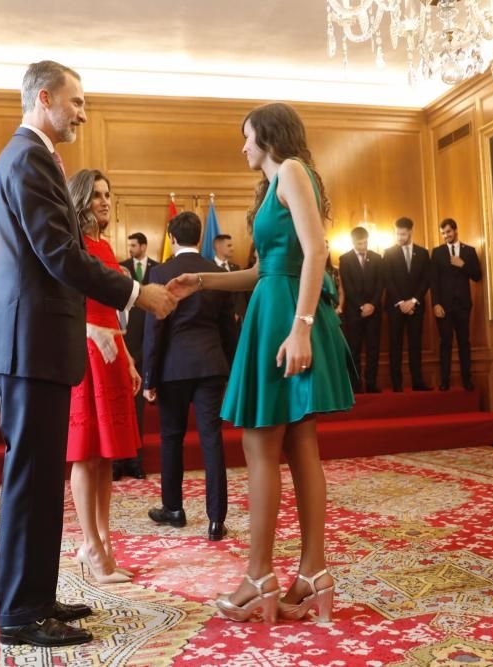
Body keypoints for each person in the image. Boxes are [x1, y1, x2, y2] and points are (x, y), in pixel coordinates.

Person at [0, 60, 176, 648]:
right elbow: (59, 254)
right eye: (78, 102)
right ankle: (18, 612)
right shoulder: (28, 156)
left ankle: (35, 597)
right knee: (30, 480)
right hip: (28, 344)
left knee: (41, 481)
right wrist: (139, 292)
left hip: (36, 344)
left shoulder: (33, 157)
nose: (84, 113)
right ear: (45, 98)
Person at [169, 102, 354, 624]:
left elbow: (317, 250)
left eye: (246, 136)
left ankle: (259, 576)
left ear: (269, 136)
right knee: (298, 445)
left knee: (260, 445)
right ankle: (312, 573)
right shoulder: (278, 184)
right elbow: (261, 270)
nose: (242, 146)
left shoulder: (292, 170)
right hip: (275, 307)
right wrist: (201, 280)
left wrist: (302, 328)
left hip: (288, 318)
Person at [65, 169, 143, 585]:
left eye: (108, 194)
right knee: (85, 452)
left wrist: (128, 358)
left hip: (111, 352)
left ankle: (102, 540)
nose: (104, 200)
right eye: (96, 194)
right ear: (79, 199)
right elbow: (68, 303)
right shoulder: (73, 245)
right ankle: (91, 543)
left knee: (106, 455)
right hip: (86, 351)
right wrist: (90, 334)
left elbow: (113, 309)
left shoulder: (104, 245)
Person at [145, 212, 237, 541]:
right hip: (211, 364)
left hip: (172, 368)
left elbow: (155, 330)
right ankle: (216, 520)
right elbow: (229, 325)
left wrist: (148, 379)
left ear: (171, 237)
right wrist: (229, 366)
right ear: (200, 238)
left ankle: (174, 509)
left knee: (171, 438)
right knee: (212, 439)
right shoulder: (216, 272)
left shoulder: (159, 271)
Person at [115, 232, 158, 481]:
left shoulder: (141, 310)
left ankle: (135, 462)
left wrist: (138, 361)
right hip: (113, 370)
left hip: (138, 370)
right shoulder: (108, 310)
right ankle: (116, 464)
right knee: (116, 418)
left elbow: (148, 338)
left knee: (136, 418)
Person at [430, 218, 481, 391]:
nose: (446, 236)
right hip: (444, 306)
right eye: (443, 233)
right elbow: (434, 281)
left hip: (463, 305)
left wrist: (463, 265)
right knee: (445, 343)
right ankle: (445, 381)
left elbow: (477, 275)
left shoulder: (469, 251)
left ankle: (467, 380)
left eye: (449, 232)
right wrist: (436, 303)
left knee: (464, 342)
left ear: (456, 230)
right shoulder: (437, 253)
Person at [383, 217, 431, 392]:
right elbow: (387, 280)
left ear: (410, 232)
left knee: (415, 344)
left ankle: (417, 381)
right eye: (397, 233)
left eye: (403, 234)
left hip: (416, 306)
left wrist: (413, 301)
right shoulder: (388, 253)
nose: (399, 237)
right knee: (395, 345)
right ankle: (397, 384)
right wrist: (402, 303)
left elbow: (426, 280)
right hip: (395, 306)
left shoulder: (423, 253)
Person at [338, 226, 384, 393]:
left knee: (373, 349)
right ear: (353, 242)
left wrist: (372, 304)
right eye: (359, 243)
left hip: (374, 311)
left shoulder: (377, 258)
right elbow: (348, 287)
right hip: (354, 312)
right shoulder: (345, 259)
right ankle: (355, 385)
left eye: (365, 242)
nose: (363, 246)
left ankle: (371, 383)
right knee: (354, 349)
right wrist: (361, 305)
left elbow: (381, 283)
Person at [214, 234, 249, 325]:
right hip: (218, 320)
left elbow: (241, 293)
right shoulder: (209, 268)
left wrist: (237, 312)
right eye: (229, 245)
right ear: (218, 247)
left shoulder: (236, 268)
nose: (232, 248)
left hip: (237, 321)